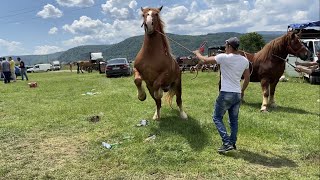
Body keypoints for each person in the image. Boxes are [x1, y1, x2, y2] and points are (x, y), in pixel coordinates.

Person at [193, 37, 250, 153]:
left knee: (217, 117)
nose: (224, 48)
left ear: (229, 46)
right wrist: (242, 90)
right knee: (234, 120)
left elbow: (204, 60)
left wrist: (197, 53)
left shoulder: (223, 57)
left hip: (226, 93)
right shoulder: (244, 60)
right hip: (237, 94)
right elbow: (247, 77)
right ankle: (232, 143)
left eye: (226, 46)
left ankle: (226, 142)